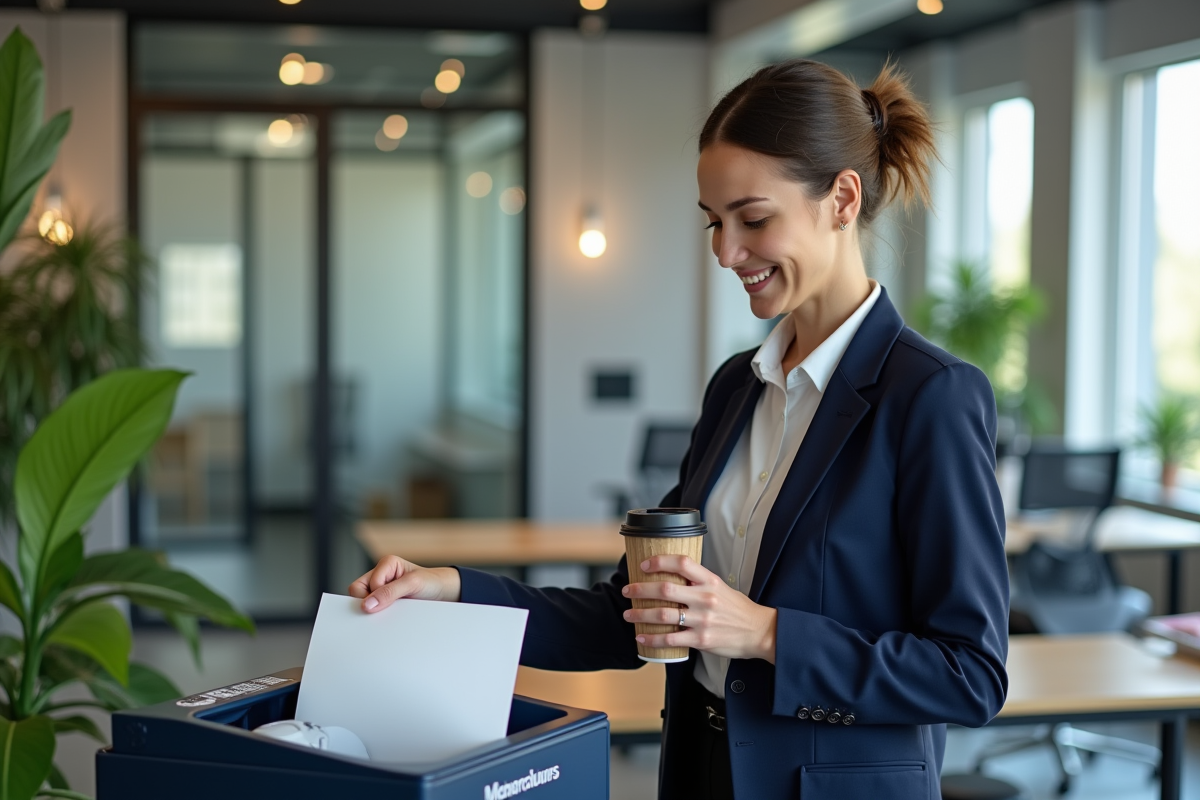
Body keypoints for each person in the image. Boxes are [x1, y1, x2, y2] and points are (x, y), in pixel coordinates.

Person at [351, 58, 1009, 800]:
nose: (727, 252)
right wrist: (452, 592)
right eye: (714, 222)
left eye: (753, 219)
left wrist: (763, 633)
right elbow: (631, 616)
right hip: (700, 771)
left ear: (842, 199)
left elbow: (971, 675)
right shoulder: (738, 387)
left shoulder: (931, 396)